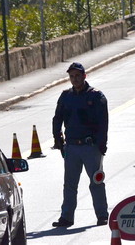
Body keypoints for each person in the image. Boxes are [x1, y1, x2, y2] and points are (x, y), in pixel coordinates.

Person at [51, 62, 109, 228]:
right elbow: (57, 119)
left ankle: (102, 215)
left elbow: (103, 122)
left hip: (91, 146)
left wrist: (102, 145)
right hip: (72, 147)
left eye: (77, 76)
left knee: (96, 181)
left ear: (84, 76)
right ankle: (66, 217)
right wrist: (58, 140)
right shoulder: (65, 96)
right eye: (72, 76)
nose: (74, 79)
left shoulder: (96, 96)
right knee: (70, 184)